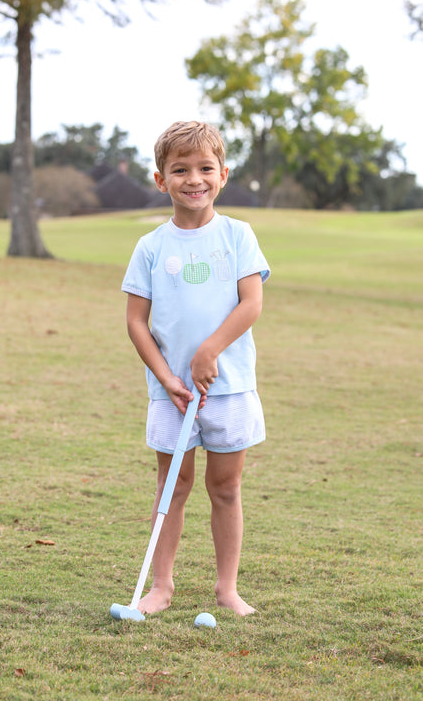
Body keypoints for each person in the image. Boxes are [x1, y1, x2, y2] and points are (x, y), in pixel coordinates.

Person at [121, 121, 270, 616]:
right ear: (161, 179)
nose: (194, 179)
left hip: (229, 388)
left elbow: (250, 303)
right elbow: (137, 323)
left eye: (205, 168)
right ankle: (161, 587)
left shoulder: (238, 235)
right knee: (173, 487)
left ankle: (226, 589)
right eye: (180, 169)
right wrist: (168, 378)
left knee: (225, 487)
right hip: (172, 393)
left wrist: (210, 351)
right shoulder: (150, 246)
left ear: (223, 175)